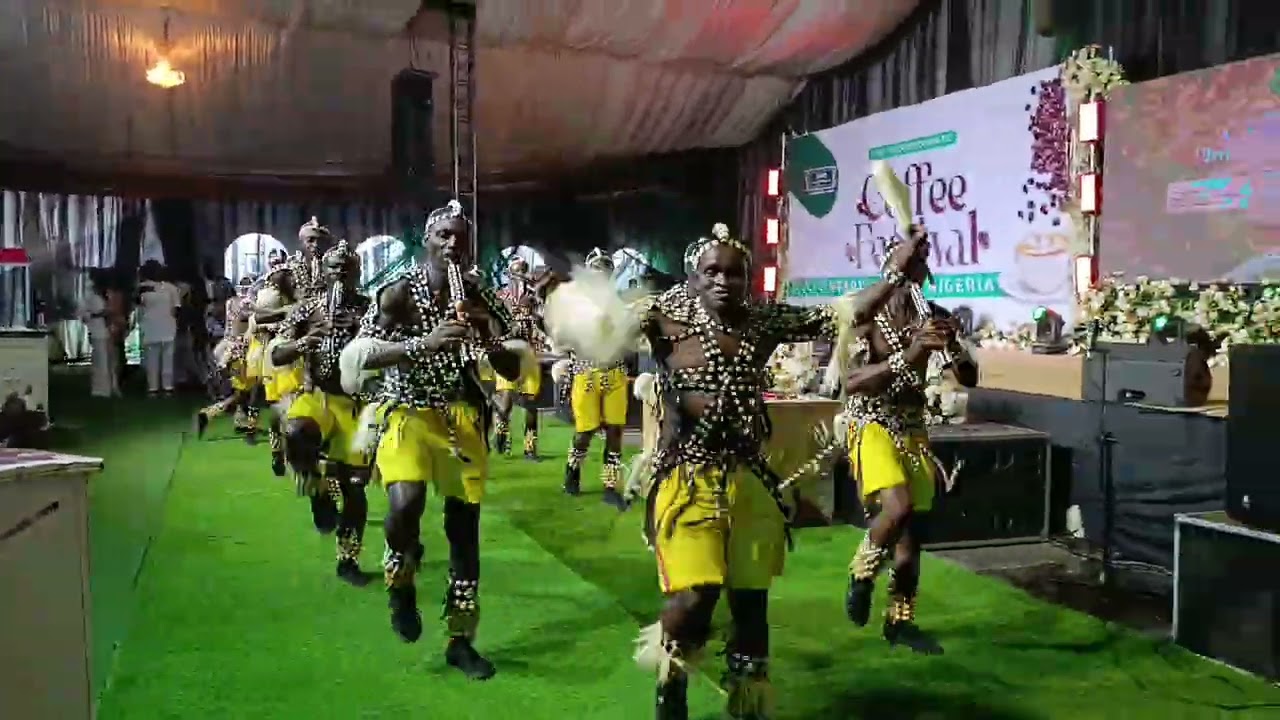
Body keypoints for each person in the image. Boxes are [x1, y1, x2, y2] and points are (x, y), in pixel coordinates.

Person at [546, 222, 921, 720]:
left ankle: (747, 703)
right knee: (696, 596)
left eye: (735, 273)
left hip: (748, 480)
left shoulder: (761, 321)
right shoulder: (661, 317)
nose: (724, 280)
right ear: (693, 276)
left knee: (751, 603)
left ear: (748, 278)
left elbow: (845, 314)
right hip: (685, 479)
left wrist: (896, 268)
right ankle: (672, 674)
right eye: (712, 271)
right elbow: (596, 329)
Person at [342, 199, 523, 680]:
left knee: (465, 533)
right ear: (427, 240)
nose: (452, 243)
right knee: (405, 505)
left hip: (461, 418)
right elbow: (359, 358)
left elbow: (514, 369)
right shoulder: (399, 292)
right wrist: (423, 343)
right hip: (405, 413)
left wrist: (485, 335)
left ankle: (461, 640)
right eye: (443, 234)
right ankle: (400, 583)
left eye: (460, 237)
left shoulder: (480, 294)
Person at [841, 228, 979, 656]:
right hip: (871, 422)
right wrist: (909, 354)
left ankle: (899, 623)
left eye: (920, 268)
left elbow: (971, 379)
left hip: (913, 428)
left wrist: (953, 344)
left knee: (910, 537)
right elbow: (851, 382)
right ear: (891, 269)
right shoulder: (865, 316)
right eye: (907, 267)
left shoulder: (931, 313)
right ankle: (861, 573)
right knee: (895, 507)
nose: (915, 276)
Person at [271, 240, 373, 586]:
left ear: (358, 273)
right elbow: (277, 355)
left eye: (347, 268)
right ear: (324, 274)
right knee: (296, 432)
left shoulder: (371, 308)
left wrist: (363, 330)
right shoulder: (308, 308)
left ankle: (348, 559)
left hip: (355, 404)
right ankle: (316, 490)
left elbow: (393, 349)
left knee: (355, 489)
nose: (340, 273)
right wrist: (306, 340)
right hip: (315, 397)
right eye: (334, 268)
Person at [560, 248, 629, 509]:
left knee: (615, 432)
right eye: (596, 271)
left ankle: (610, 486)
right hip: (587, 373)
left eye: (605, 271)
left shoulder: (619, 303)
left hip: (615, 372)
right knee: (585, 432)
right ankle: (572, 472)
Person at [490, 256, 548, 460]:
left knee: (531, 405)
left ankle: (530, 449)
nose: (521, 275)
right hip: (508, 353)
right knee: (505, 403)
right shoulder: (500, 297)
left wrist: (538, 317)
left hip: (530, 355)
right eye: (517, 271)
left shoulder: (534, 296)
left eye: (523, 270)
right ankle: (500, 434)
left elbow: (543, 322)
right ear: (510, 274)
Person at [196, 276, 259, 437]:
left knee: (241, 392)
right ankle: (209, 414)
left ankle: (241, 421)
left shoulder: (230, 303)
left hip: (227, 348)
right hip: (241, 352)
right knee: (245, 393)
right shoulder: (247, 305)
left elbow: (230, 330)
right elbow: (248, 328)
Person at [136, 261, 182, 396]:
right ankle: (157, 387)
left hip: (163, 325)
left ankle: (161, 387)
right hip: (155, 325)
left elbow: (176, 308)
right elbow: (137, 303)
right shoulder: (143, 288)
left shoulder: (170, 288)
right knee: (157, 358)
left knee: (161, 358)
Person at [79, 270, 119, 398]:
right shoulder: (90, 295)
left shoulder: (107, 294)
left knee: (111, 361)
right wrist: (99, 314)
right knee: (100, 361)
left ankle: (113, 386)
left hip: (109, 330)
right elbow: (84, 314)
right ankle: (100, 389)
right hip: (97, 331)